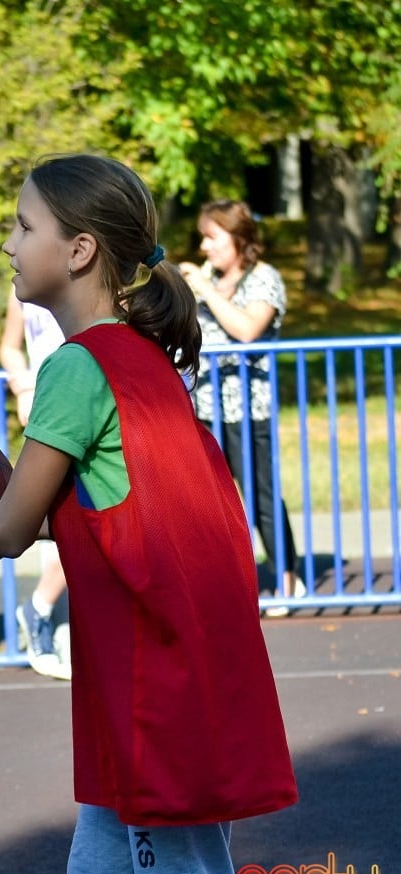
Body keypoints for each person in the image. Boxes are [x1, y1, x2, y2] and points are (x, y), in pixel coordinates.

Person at [0, 154, 298, 874]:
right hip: (149, 689)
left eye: (24, 226)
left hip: (153, 696)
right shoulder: (141, 359)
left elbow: (5, 526)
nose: (8, 244)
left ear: (80, 250)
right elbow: (53, 516)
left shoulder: (78, 365)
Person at [179, 200, 305, 617]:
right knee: (209, 498)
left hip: (249, 407)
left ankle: (287, 579)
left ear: (238, 238)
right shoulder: (207, 280)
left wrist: (206, 291)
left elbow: (247, 330)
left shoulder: (263, 278)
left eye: (213, 237)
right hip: (206, 408)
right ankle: (223, 579)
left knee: (261, 493)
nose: (205, 246)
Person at [0, 289, 70, 679]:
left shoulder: (98, 276)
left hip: (82, 403)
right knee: (72, 519)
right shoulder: (24, 288)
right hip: (50, 410)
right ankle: (41, 611)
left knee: (84, 520)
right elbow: (9, 346)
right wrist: (23, 384)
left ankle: (43, 611)